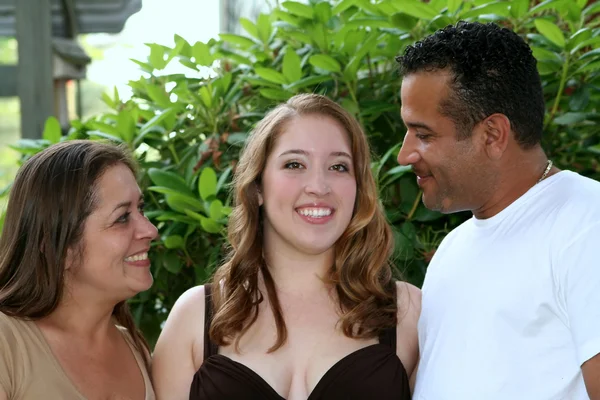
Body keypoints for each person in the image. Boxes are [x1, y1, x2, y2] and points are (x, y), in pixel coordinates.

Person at [151, 93, 421, 400]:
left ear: (359, 188)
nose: (319, 186)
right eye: (294, 164)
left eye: (339, 167)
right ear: (257, 188)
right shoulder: (194, 317)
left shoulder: (408, 313)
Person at [395, 21, 600, 399]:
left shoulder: (587, 225)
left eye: (423, 135)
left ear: (492, 134)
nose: (404, 154)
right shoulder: (453, 249)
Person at [0, 140, 157, 400]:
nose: (151, 230)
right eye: (122, 217)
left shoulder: (135, 347)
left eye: (140, 209)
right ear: (57, 247)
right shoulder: (8, 344)